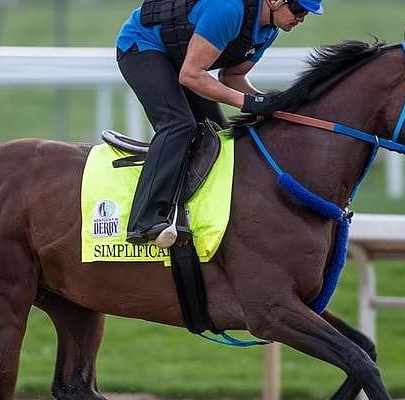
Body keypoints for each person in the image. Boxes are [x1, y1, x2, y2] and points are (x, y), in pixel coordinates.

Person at [117, 0, 324, 245]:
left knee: (220, 136)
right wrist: (249, 103)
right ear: (276, 1)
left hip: (181, 59)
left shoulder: (269, 30)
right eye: (298, 10)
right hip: (142, 45)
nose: (301, 19)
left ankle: (193, 214)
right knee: (179, 125)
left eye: (307, 14)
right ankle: (144, 221)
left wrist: (264, 101)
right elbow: (191, 75)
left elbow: (232, 76)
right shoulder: (228, 9)